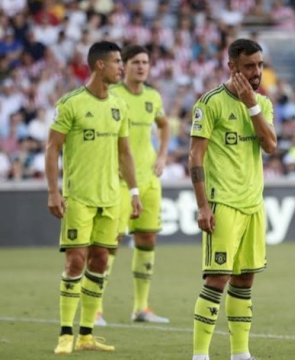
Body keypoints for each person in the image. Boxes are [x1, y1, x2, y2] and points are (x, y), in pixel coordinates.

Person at [45, 40, 141, 354]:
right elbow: (53, 148)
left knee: (100, 261)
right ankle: (64, 334)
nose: (121, 67)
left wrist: (134, 191)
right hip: (79, 198)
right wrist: (53, 191)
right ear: (100, 65)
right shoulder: (70, 103)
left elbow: (125, 152)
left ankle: (86, 334)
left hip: (111, 198)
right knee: (75, 261)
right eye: (117, 62)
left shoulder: (119, 105)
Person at [188, 38, 277, 360]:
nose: (256, 72)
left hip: (253, 202)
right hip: (222, 201)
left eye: (260, 65)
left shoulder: (262, 104)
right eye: (249, 66)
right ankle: (200, 355)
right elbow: (195, 158)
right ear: (232, 67)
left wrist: (251, 103)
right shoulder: (209, 103)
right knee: (218, 277)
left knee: (245, 278)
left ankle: (240, 353)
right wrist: (202, 205)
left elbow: (270, 146)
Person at [96, 44, 170, 326]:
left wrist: (162, 155)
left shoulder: (153, 96)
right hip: (120, 182)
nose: (141, 67)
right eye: (136, 62)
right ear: (123, 65)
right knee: (109, 243)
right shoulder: (113, 95)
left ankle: (141, 307)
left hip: (149, 180)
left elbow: (164, 125)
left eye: (145, 62)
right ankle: (96, 309)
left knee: (147, 238)